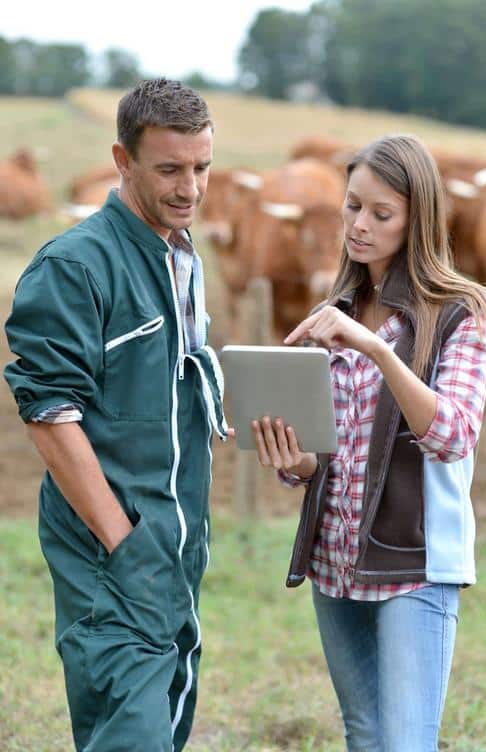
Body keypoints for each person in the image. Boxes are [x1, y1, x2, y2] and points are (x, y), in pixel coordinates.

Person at [251, 134, 486, 752]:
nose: (359, 226)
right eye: (352, 206)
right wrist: (298, 460)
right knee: (365, 737)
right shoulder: (336, 307)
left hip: (415, 566)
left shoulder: (462, 314)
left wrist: (376, 347)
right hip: (335, 563)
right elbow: (328, 454)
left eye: (380, 214)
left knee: (406, 744)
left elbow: (452, 434)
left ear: (418, 222)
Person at [4, 78, 228, 752]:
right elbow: (49, 414)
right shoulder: (75, 266)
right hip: (114, 552)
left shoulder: (179, 259)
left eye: (202, 167)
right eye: (169, 169)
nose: (190, 187)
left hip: (175, 548)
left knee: (160, 726)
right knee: (132, 737)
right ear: (122, 160)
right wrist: (122, 542)